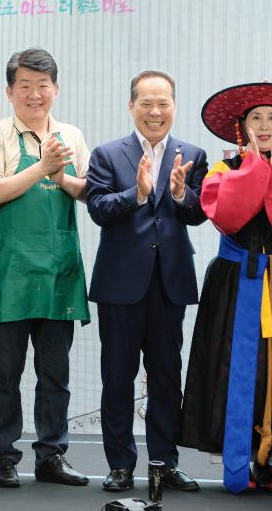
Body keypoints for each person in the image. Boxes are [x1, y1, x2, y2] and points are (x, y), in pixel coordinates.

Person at [0, 47, 90, 488]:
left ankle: (52, 455)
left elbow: (83, 190)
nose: (35, 94)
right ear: (10, 92)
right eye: (25, 85)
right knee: (5, 371)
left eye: (43, 85)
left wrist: (62, 178)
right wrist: (43, 167)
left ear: (55, 89)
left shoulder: (72, 135)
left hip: (59, 271)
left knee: (55, 372)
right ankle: (4, 456)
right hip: (12, 271)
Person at [87, 70, 206, 493]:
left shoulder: (192, 153)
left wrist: (178, 194)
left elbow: (199, 211)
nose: (155, 112)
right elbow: (98, 208)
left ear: (173, 106)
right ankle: (120, 464)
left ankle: (164, 462)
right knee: (117, 377)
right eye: (146, 103)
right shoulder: (106, 154)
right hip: (120, 286)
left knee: (166, 375)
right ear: (131, 106)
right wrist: (135, 194)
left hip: (169, 284)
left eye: (164, 104)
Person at [180, 82, 272, 493]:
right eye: (256, 118)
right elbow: (230, 215)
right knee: (239, 373)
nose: (265, 125)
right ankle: (243, 462)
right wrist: (254, 166)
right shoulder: (225, 170)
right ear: (241, 126)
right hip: (240, 284)